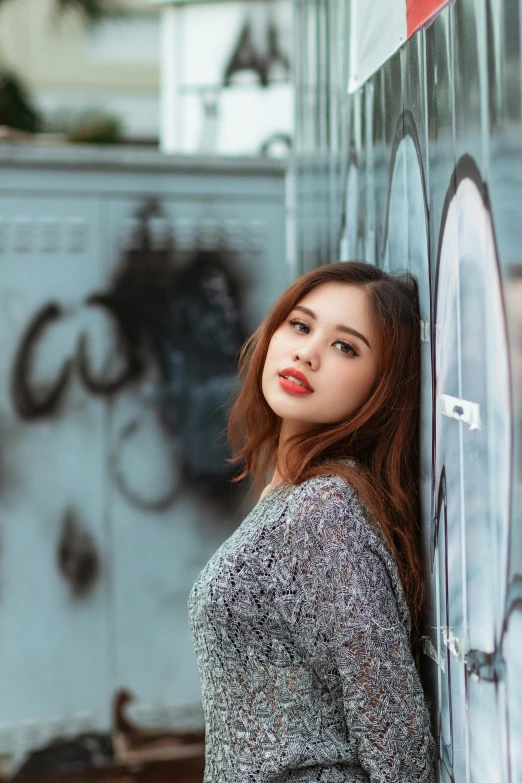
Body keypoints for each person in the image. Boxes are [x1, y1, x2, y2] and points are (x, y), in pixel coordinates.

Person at [188, 261, 437, 782]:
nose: (307, 352)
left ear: (382, 386)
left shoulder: (326, 510)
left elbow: (399, 748)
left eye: (346, 347)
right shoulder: (293, 491)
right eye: (300, 325)